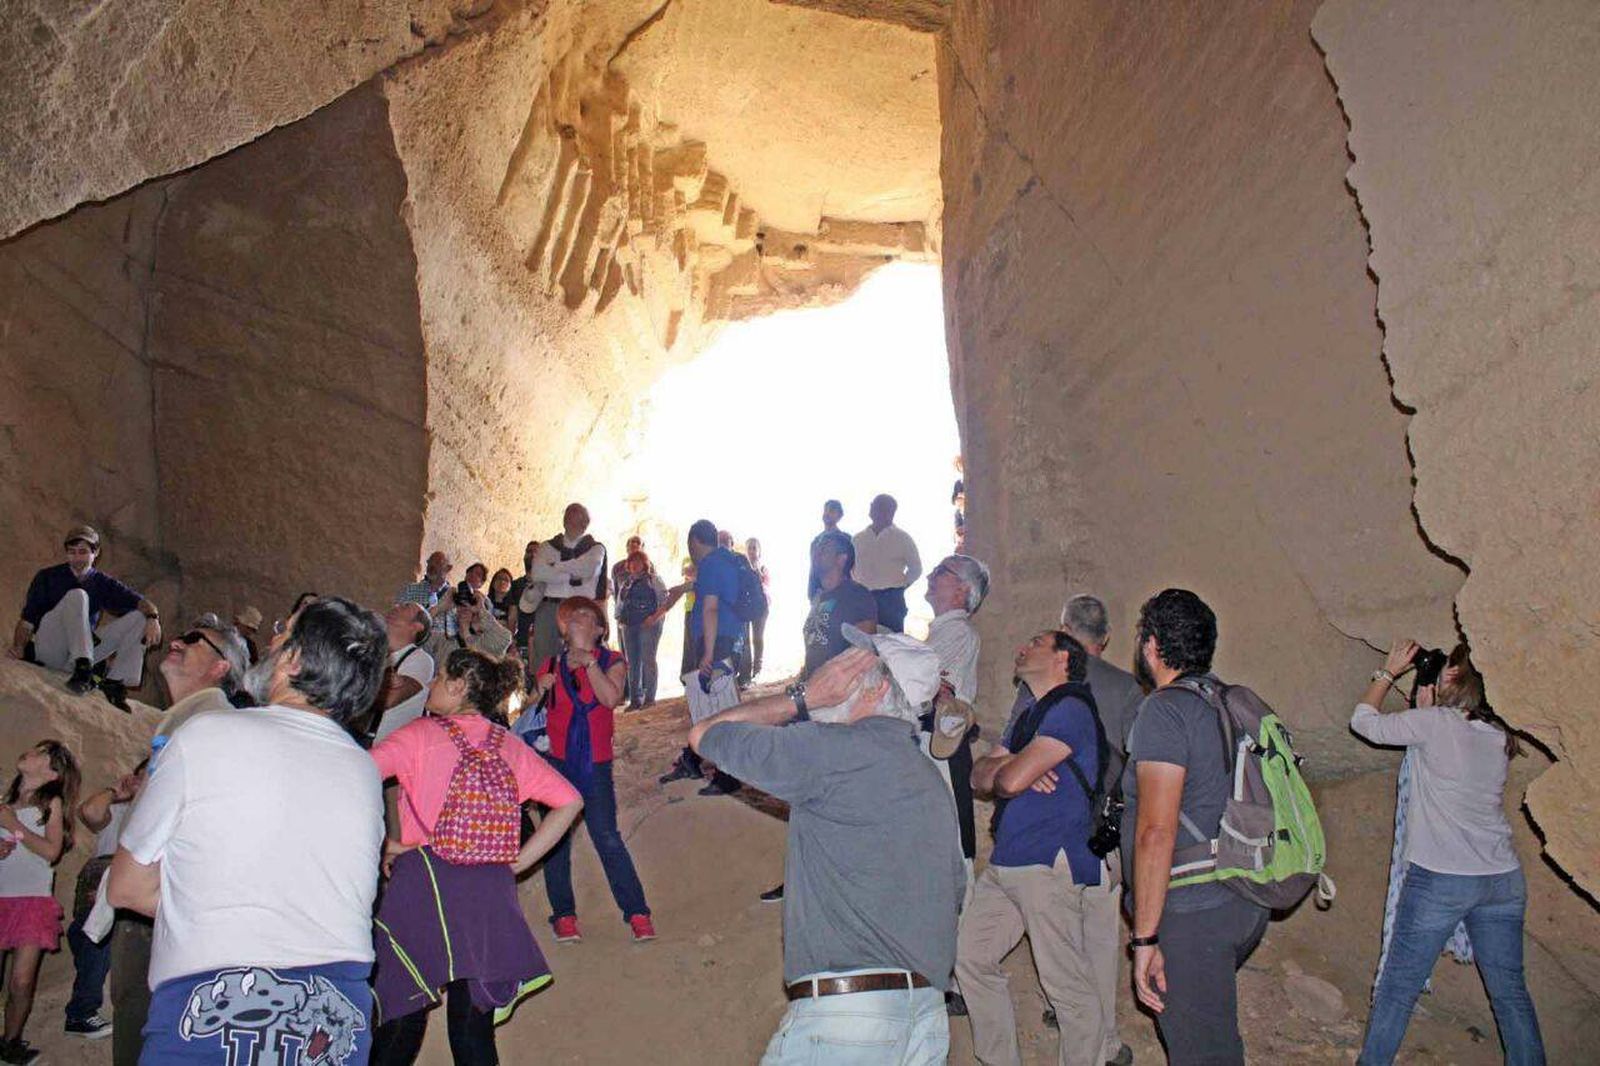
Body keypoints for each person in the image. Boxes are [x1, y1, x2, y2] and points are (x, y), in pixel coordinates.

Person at [108, 596, 390, 1065]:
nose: (272, 641)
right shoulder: (364, 771)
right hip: (333, 1015)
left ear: (294, 661)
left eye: (284, 632)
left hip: (215, 1004)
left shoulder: (206, 735)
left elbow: (126, 887)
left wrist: (215, 910)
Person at [688, 633, 965, 1066]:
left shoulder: (835, 750)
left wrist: (802, 698)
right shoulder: (928, 777)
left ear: (877, 690)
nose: (829, 671)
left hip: (849, 1020)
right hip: (925, 1019)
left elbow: (705, 734)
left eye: (844, 667)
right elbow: (955, 890)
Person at [369, 648, 584, 1064]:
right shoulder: (509, 745)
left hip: (423, 885)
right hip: (489, 893)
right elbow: (570, 800)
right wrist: (517, 863)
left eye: (439, 678)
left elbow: (354, 775)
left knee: (402, 1016)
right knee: (472, 1028)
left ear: (458, 686)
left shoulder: (418, 735)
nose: (431, 685)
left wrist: (384, 844)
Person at [1351, 640, 1544, 1065]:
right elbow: (1444, 756)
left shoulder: (1436, 724)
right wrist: (1427, 712)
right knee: (1510, 994)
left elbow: (1364, 722)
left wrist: (1387, 673)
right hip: (1501, 879)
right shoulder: (1499, 736)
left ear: (1454, 676)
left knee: (1398, 989)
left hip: (1442, 879)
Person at [1122, 588, 1268, 1065]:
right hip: (1241, 894)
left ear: (1151, 645)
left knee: (1204, 1054)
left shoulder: (1165, 709)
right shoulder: (1225, 702)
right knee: (1210, 1039)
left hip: (1192, 908)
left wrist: (1145, 938)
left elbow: (1155, 832)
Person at [958, 631, 1106, 1066]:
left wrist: (1011, 769)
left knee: (1067, 986)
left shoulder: (1071, 708)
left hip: (1048, 858)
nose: (1022, 647)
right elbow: (978, 776)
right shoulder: (1028, 717)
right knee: (970, 956)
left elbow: (1005, 782)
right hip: (1008, 860)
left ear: (1063, 658)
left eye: (1037, 642)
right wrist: (1018, 762)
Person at [108, 613, 250, 1066]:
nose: (177, 641)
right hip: (157, 898)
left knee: (149, 1021)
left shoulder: (211, 724)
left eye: (194, 640)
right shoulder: (188, 720)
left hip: (166, 904)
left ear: (221, 667)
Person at [532, 597, 655, 944]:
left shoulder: (612, 660)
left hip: (595, 764)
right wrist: (539, 688)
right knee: (556, 842)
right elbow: (534, 707)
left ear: (599, 630)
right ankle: (564, 915)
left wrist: (589, 664)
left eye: (586, 615)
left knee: (606, 836)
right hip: (557, 762)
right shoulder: (550, 664)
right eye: (573, 615)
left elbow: (610, 699)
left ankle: (637, 912)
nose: (577, 617)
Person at [9, 525, 162, 711]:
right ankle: (83, 667)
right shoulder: (47, 577)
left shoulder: (103, 583)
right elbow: (27, 621)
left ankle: (115, 683)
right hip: (51, 648)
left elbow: (142, 603)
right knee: (78, 595)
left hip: (80, 654)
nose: (77, 558)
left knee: (140, 618)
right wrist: (19, 647)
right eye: (71, 552)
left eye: (82, 552)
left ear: (95, 553)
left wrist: (153, 618)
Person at [0, 741, 81, 1065]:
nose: (29, 753)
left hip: (31, 901)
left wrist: (14, 826)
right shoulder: (5, 804)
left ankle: (11, 1043)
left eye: (39, 753)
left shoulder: (51, 804)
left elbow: (51, 851)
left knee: (21, 980)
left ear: (52, 773)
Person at [659, 521, 745, 796]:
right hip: (729, 636)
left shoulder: (709, 564)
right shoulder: (727, 559)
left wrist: (708, 652)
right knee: (713, 702)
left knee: (718, 706)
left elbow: (710, 609)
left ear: (695, 541)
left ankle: (728, 775)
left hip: (716, 640)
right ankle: (693, 758)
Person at [63, 761, 144, 1042]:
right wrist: (115, 791)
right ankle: (81, 1011)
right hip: (102, 875)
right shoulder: (119, 810)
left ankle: (85, 1009)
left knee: (109, 945)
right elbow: (89, 812)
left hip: (138, 881)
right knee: (90, 939)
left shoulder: (162, 815)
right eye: (142, 777)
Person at [922, 553, 991, 871]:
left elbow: (921, 685)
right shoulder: (942, 632)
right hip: (930, 740)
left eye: (941, 571)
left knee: (950, 832)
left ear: (963, 589)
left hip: (942, 742)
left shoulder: (959, 633)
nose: (930, 576)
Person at [522, 504, 609, 669]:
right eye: (570, 518)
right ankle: (545, 686)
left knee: (579, 658)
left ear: (585, 523)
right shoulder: (547, 547)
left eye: (579, 519)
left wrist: (555, 565)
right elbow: (538, 573)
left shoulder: (596, 548)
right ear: (564, 521)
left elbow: (588, 570)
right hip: (549, 607)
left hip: (580, 608)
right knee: (545, 659)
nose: (573, 523)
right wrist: (572, 574)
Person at [853, 494, 923, 633]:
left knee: (891, 642)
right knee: (860, 641)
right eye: (873, 505)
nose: (874, 509)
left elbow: (916, 568)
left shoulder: (903, 538)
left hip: (891, 601)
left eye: (880, 507)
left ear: (891, 512)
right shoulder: (857, 539)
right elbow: (850, 567)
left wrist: (900, 586)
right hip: (862, 598)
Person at [370, 602, 436, 745]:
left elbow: (389, 698)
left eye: (405, 606)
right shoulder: (375, 653)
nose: (395, 606)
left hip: (384, 749)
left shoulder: (420, 660)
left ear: (417, 626)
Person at [615, 549, 668, 709]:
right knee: (632, 663)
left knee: (648, 659)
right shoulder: (627, 583)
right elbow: (620, 603)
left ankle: (650, 698)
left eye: (638, 561)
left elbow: (665, 602)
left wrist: (654, 618)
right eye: (632, 561)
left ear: (645, 564)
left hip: (649, 624)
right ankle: (635, 699)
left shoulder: (654, 580)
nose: (634, 565)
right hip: (629, 624)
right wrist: (619, 619)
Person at [398, 550, 457, 660]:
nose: (432, 566)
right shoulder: (411, 590)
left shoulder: (454, 596)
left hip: (441, 654)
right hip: (412, 650)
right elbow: (399, 618)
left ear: (448, 568)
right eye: (430, 562)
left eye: (438, 562)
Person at [741, 537, 771, 682]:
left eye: (754, 548)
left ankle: (757, 670)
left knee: (758, 638)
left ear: (759, 551)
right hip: (747, 607)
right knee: (746, 639)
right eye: (749, 548)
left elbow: (766, 585)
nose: (752, 551)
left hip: (761, 606)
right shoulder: (742, 567)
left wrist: (758, 572)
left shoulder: (763, 568)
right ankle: (745, 670)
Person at [807, 500, 844, 600]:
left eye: (831, 510)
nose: (827, 514)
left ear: (839, 516)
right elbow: (814, 568)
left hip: (839, 593)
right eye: (825, 510)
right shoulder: (816, 541)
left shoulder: (844, 540)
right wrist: (811, 592)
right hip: (818, 593)